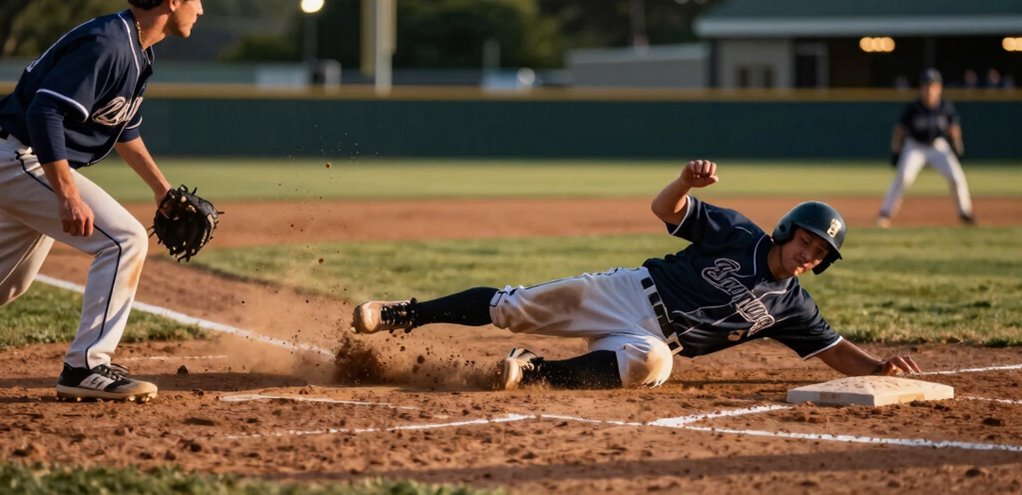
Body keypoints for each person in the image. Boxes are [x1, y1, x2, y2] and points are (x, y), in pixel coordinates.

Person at [351, 160, 921, 390]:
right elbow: (666, 213)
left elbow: (833, 350)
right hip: (627, 293)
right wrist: (683, 182)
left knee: (655, 365)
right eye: (807, 241)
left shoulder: (792, 306)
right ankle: (403, 314)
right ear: (786, 230)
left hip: (648, 337)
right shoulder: (738, 233)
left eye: (821, 254)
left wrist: (881, 368)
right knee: (510, 307)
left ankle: (534, 372)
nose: (810, 256)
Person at [0, 0, 227, 402]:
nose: (202, 8)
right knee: (123, 239)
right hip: (19, 154)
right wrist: (67, 194)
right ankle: (87, 367)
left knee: (8, 283)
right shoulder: (109, 43)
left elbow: (123, 128)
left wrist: (161, 191)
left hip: (20, 158)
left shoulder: (138, 49)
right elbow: (46, 110)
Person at [876, 68, 975, 228]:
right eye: (926, 85)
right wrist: (895, 151)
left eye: (933, 85)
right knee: (903, 177)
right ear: (921, 88)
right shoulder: (913, 108)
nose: (929, 89)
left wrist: (958, 146)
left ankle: (965, 212)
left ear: (939, 88)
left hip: (938, 146)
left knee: (956, 177)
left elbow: (953, 128)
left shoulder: (945, 106)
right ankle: (885, 213)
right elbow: (899, 131)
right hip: (915, 146)